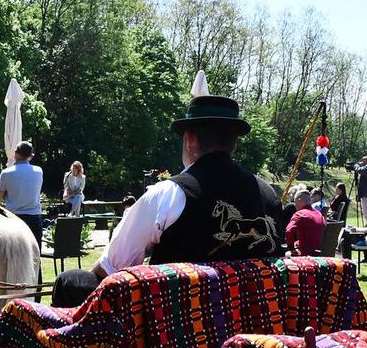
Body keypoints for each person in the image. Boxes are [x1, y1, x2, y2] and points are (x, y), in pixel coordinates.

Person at [51, 95, 281, 307]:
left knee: (70, 281)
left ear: (189, 139)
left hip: (178, 328)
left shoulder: (170, 193)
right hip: (254, 323)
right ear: (233, 144)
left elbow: (111, 268)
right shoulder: (269, 195)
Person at [0, 141, 44, 245]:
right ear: (30, 156)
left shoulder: (6, 173)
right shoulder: (38, 171)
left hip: (14, 217)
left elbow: (1, 196)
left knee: (14, 254)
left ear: (15, 153)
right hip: (34, 217)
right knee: (35, 254)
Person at [285, 188, 327, 255]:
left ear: (299, 201)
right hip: (320, 252)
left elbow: (289, 231)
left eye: (295, 203)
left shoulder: (299, 214)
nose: (295, 206)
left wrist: (291, 248)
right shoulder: (319, 215)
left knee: (285, 254)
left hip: (305, 253)